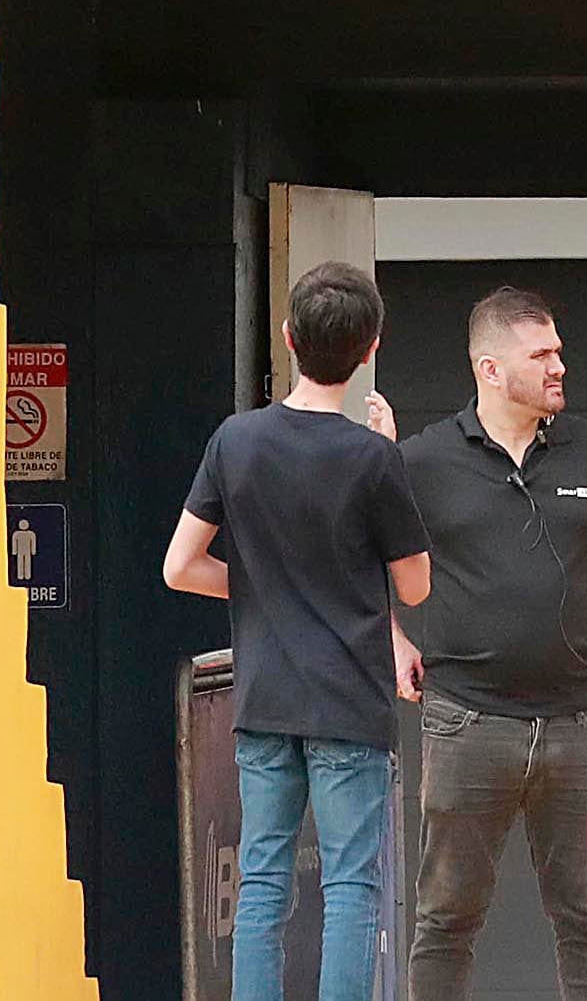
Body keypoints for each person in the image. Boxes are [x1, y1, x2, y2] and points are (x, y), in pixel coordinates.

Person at [166, 262, 432, 1001]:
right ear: (369, 345)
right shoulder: (373, 457)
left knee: (262, 882)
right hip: (349, 699)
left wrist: (260, 584)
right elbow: (415, 583)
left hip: (264, 696)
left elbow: (180, 565)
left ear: (287, 338)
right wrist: (392, 458)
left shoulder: (235, 440)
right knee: (351, 886)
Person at [394, 287, 587, 1001]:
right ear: (490, 369)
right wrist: (391, 639)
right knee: (444, 919)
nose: (561, 364)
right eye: (542, 354)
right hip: (467, 720)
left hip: (581, 723)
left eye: (558, 350)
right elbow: (361, 555)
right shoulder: (424, 458)